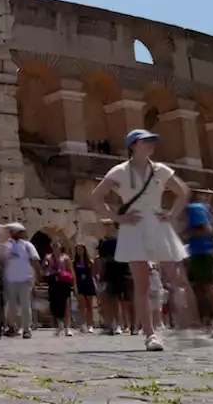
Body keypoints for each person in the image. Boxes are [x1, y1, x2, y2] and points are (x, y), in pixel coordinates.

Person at [89, 129, 192, 352]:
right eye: (146, 141)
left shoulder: (160, 170)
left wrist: (172, 214)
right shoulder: (120, 171)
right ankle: (150, 334)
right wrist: (116, 217)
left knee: (175, 278)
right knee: (142, 284)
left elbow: (183, 192)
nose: (151, 144)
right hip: (133, 225)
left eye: (153, 141)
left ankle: (187, 327)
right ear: (133, 145)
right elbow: (96, 196)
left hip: (157, 222)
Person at [182, 202, 213, 339]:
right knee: (200, 290)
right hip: (199, 253)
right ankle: (207, 323)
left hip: (202, 253)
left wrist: (184, 232)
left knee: (211, 291)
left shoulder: (194, 208)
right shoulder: (200, 208)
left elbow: (206, 229)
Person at [1, 223, 40, 339]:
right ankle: (12, 327)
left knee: (25, 305)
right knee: (11, 306)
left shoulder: (27, 245)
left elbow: (35, 260)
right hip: (10, 280)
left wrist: (37, 277)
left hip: (24, 279)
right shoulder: (6, 245)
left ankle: (26, 329)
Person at [95, 219, 133, 335]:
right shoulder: (104, 244)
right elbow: (102, 261)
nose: (106, 228)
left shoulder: (124, 241)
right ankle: (115, 324)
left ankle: (129, 324)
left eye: (108, 225)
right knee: (112, 300)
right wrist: (101, 276)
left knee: (126, 301)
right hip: (111, 274)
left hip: (124, 272)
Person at [43, 241, 75, 337]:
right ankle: (59, 326)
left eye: (57, 244)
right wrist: (48, 272)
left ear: (61, 246)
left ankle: (68, 327)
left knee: (66, 304)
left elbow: (71, 271)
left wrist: (74, 284)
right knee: (55, 304)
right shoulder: (48, 257)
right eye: (54, 245)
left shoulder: (65, 258)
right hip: (54, 282)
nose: (55, 246)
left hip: (64, 283)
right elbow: (44, 272)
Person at [72, 244, 98, 333]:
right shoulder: (74, 263)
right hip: (80, 285)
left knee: (89, 306)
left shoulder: (89, 262)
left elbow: (93, 274)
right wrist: (74, 287)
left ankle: (90, 325)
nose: (80, 251)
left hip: (88, 284)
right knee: (82, 305)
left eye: (81, 249)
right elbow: (73, 275)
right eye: (78, 250)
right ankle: (82, 324)